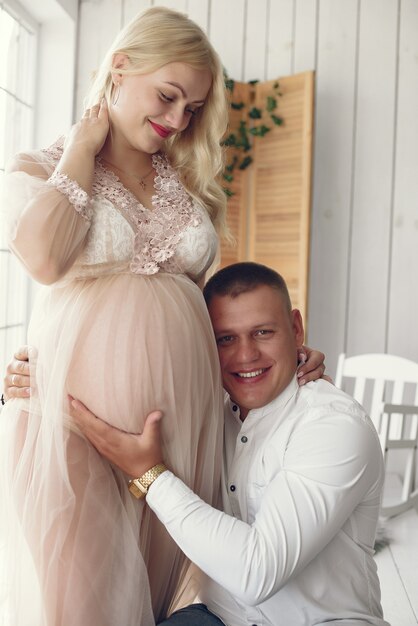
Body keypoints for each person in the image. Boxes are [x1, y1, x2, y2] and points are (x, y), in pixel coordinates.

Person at [0, 8, 326, 626]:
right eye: (168, 96)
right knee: (89, 612)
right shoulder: (42, 167)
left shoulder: (187, 184)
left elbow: (207, 310)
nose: (178, 120)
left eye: (193, 109)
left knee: (152, 607)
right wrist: (82, 150)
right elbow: (42, 260)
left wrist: (280, 356)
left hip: (179, 437)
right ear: (119, 68)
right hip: (70, 427)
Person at [65, 262, 389, 626]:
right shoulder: (208, 414)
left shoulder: (333, 426)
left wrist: (151, 476)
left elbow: (257, 572)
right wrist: (35, 378)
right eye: (226, 338)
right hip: (219, 617)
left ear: (295, 329)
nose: (246, 355)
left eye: (263, 332)